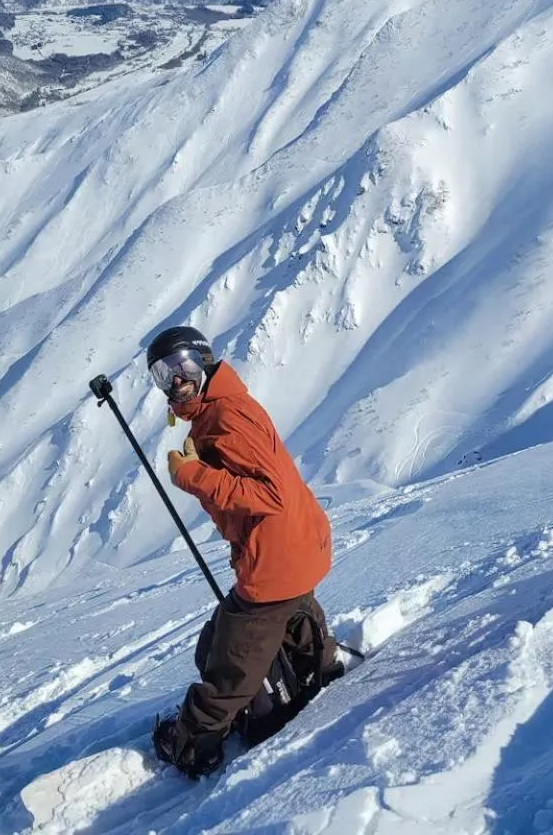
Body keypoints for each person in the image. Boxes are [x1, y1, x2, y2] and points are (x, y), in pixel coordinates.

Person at [145, 325, 340, 778]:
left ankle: (194, 746)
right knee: (234, 632)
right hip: (296, 549)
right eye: (162, 373)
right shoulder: (221, 408)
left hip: (276, 563)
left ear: (204, 361)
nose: (175, 380)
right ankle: (319, 669)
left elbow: (268, 496)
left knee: (227, 660)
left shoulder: (226, 415)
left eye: (181, 366)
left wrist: (191, 475)